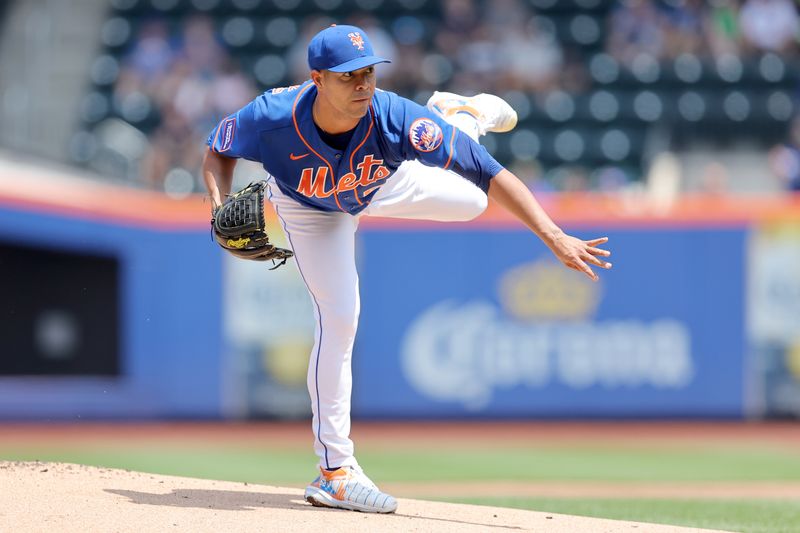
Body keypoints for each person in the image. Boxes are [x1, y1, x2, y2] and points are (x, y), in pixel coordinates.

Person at [202, 24, 612, 514]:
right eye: (348, 76)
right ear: (316, 78)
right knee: (340, 318)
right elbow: (217, 149)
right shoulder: (271, 117)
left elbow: (491, 172)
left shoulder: (396, 118)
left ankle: (460, 117)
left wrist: (553, 235)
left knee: (472, 200)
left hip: (380, 186)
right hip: (309, 209)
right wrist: (217, 207)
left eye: (369, 72)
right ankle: (334, 471)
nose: (362, 84)